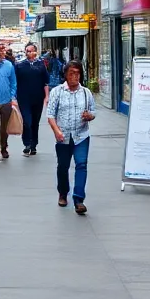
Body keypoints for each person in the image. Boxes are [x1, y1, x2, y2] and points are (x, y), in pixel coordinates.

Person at [46, 60, 95, 214]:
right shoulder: (57, 92)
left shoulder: (86, 92)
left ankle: (79, 199)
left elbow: (93, 111)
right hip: (63, 136)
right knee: (63, 166)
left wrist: (89, 116)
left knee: (81, 165)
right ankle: (63, 192)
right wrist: (56, 131)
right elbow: (50, 114)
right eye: (72, 73)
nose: (75, 76)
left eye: (78, 73)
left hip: (81, 135)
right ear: (66, 75)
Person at [14, 43, 49, 156]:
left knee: (35, 122)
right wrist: (13, 97)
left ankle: (34, 145)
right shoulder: (19, 66)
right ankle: (27, 143)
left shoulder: (41, 65)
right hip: (23, 98)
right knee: (27, 121)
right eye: (27, 51)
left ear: (35, 52)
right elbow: (14, 82)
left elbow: (46, 82)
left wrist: (46, 97)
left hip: (38, 97)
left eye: (31, 51)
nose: (28, 53)